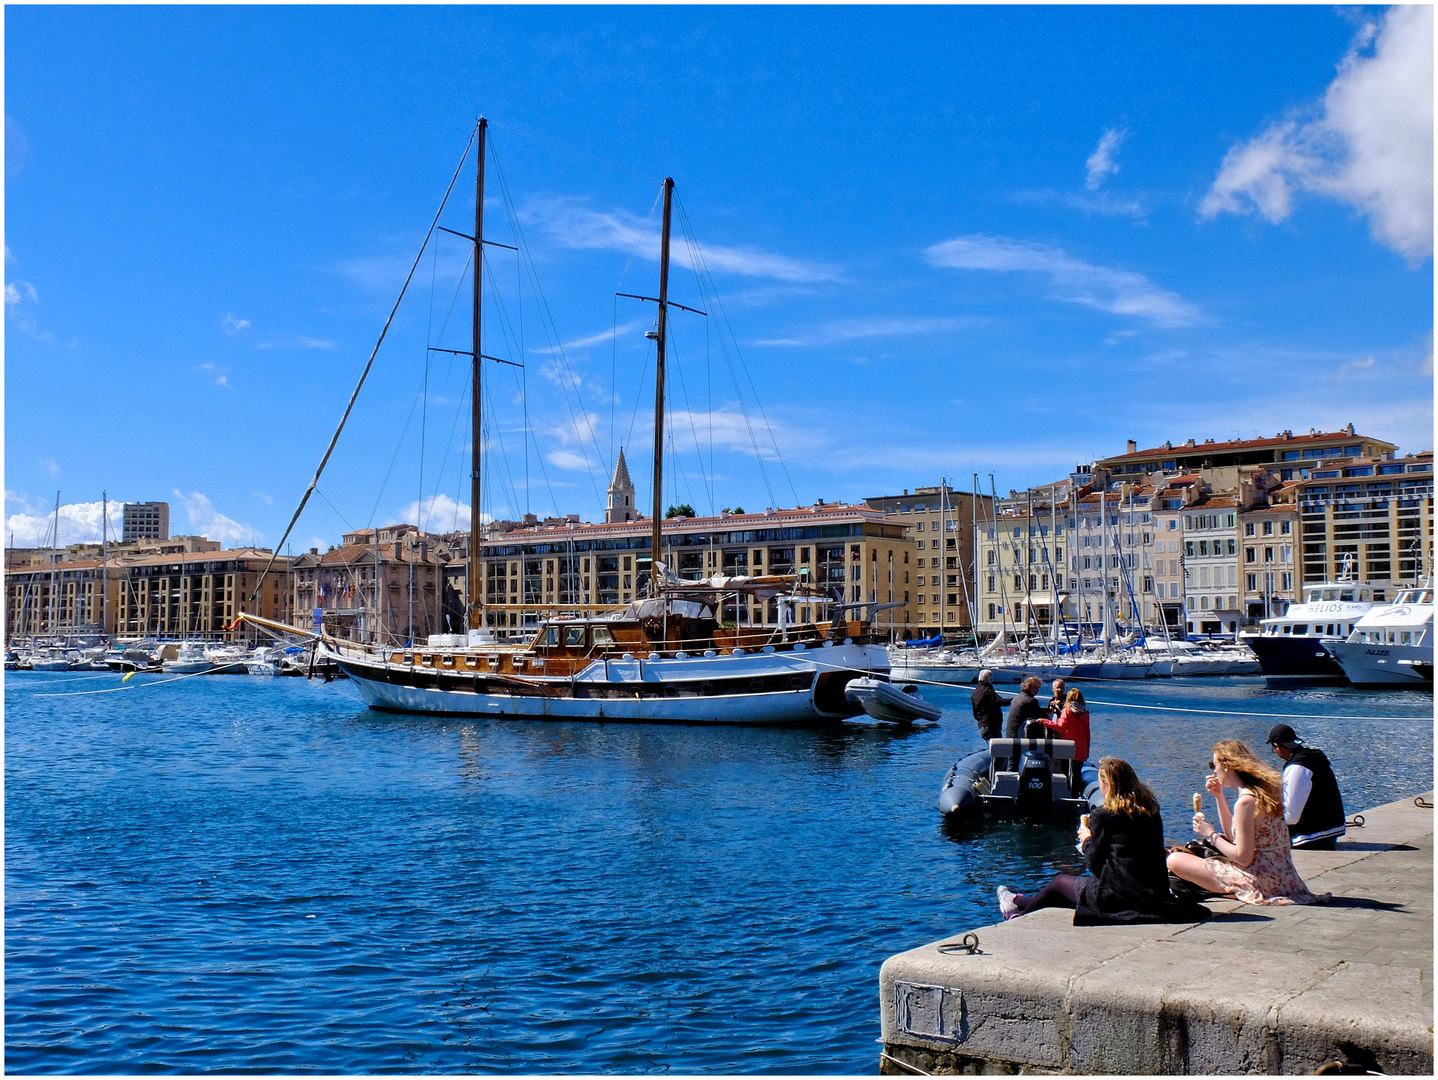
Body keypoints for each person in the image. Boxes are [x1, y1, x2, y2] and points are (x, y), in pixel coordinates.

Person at [996, 757, 1209, 925]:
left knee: (1059, 883)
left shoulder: (1104, 815)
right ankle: (1017, 903)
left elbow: (1095, 865)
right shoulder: (1151, 811)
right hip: (1153, 892)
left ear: (1108, 784)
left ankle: (1016, 908)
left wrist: (1087, 839)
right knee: (1066, 893)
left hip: (1119, 894)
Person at [1166, 740, 1329, 906]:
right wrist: (1219, 797)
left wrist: (1211, 834)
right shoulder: (1262, 793)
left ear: (1226, 766)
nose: (1214, 770)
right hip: (1284, 876)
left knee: (1174, 860)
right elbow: (1233, 837)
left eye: (1214, 764)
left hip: (1260, 879)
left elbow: (1243, 858)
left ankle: (1237, 891)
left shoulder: (1245, 802)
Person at [1267, 723, 1346, 850]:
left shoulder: (1297, 767)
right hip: (1332, 831)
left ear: (1277, 746)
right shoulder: (1313, 757)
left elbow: (1291, 817)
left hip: (1313, 836)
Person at [1043, 687, 1091, 790]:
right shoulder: (1085, 713)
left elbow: (1060, 727)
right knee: (1076, 772)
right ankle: (1075, 795)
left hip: (1068, 745)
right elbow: (1087, 733)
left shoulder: (1067, 711)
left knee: (1064, 771)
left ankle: (1065, 791)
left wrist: (1045, 722)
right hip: (1081, 746)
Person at [969, 669, 1009, 743]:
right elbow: (999, 701)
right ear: (989, 679)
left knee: (993, 748)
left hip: (982, 725)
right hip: (991, 725)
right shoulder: (987, 691)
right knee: (998, 749)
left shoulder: (976, 691)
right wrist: (1013, 700)